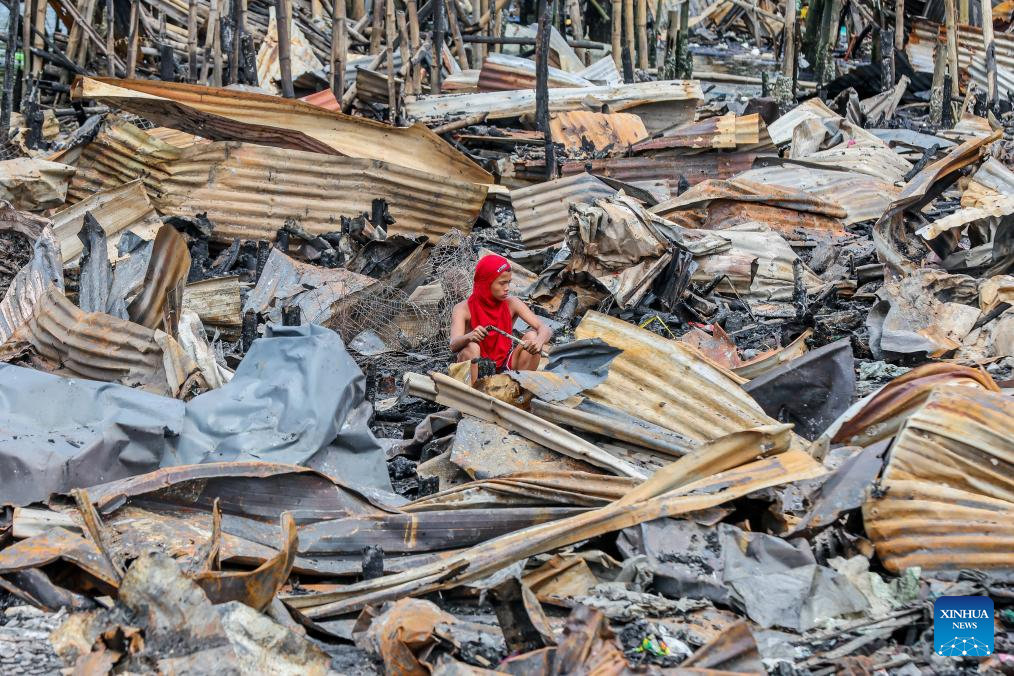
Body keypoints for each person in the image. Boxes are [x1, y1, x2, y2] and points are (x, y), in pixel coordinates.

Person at [449, 254, 552, 380]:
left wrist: (539, 341)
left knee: (532, 337)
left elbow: (545, 328)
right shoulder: (462, 309)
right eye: (502, 283)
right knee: (472, 347)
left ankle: (518, 386)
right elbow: (453, 345)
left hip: (505, 363)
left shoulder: (512, 303)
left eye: (509, 282)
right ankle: (475, 391)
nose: (507, 288)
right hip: (477, 366)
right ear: (486, 283)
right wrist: (469, 336)